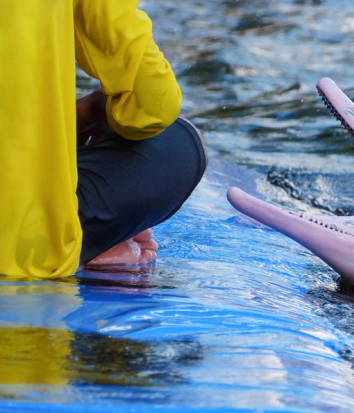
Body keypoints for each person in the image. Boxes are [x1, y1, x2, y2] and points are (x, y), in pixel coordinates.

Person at [0, 0, 206, 278]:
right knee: (179, 143)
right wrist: (95, 110)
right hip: (22, 245)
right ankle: (88, 241)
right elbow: (152, 108)